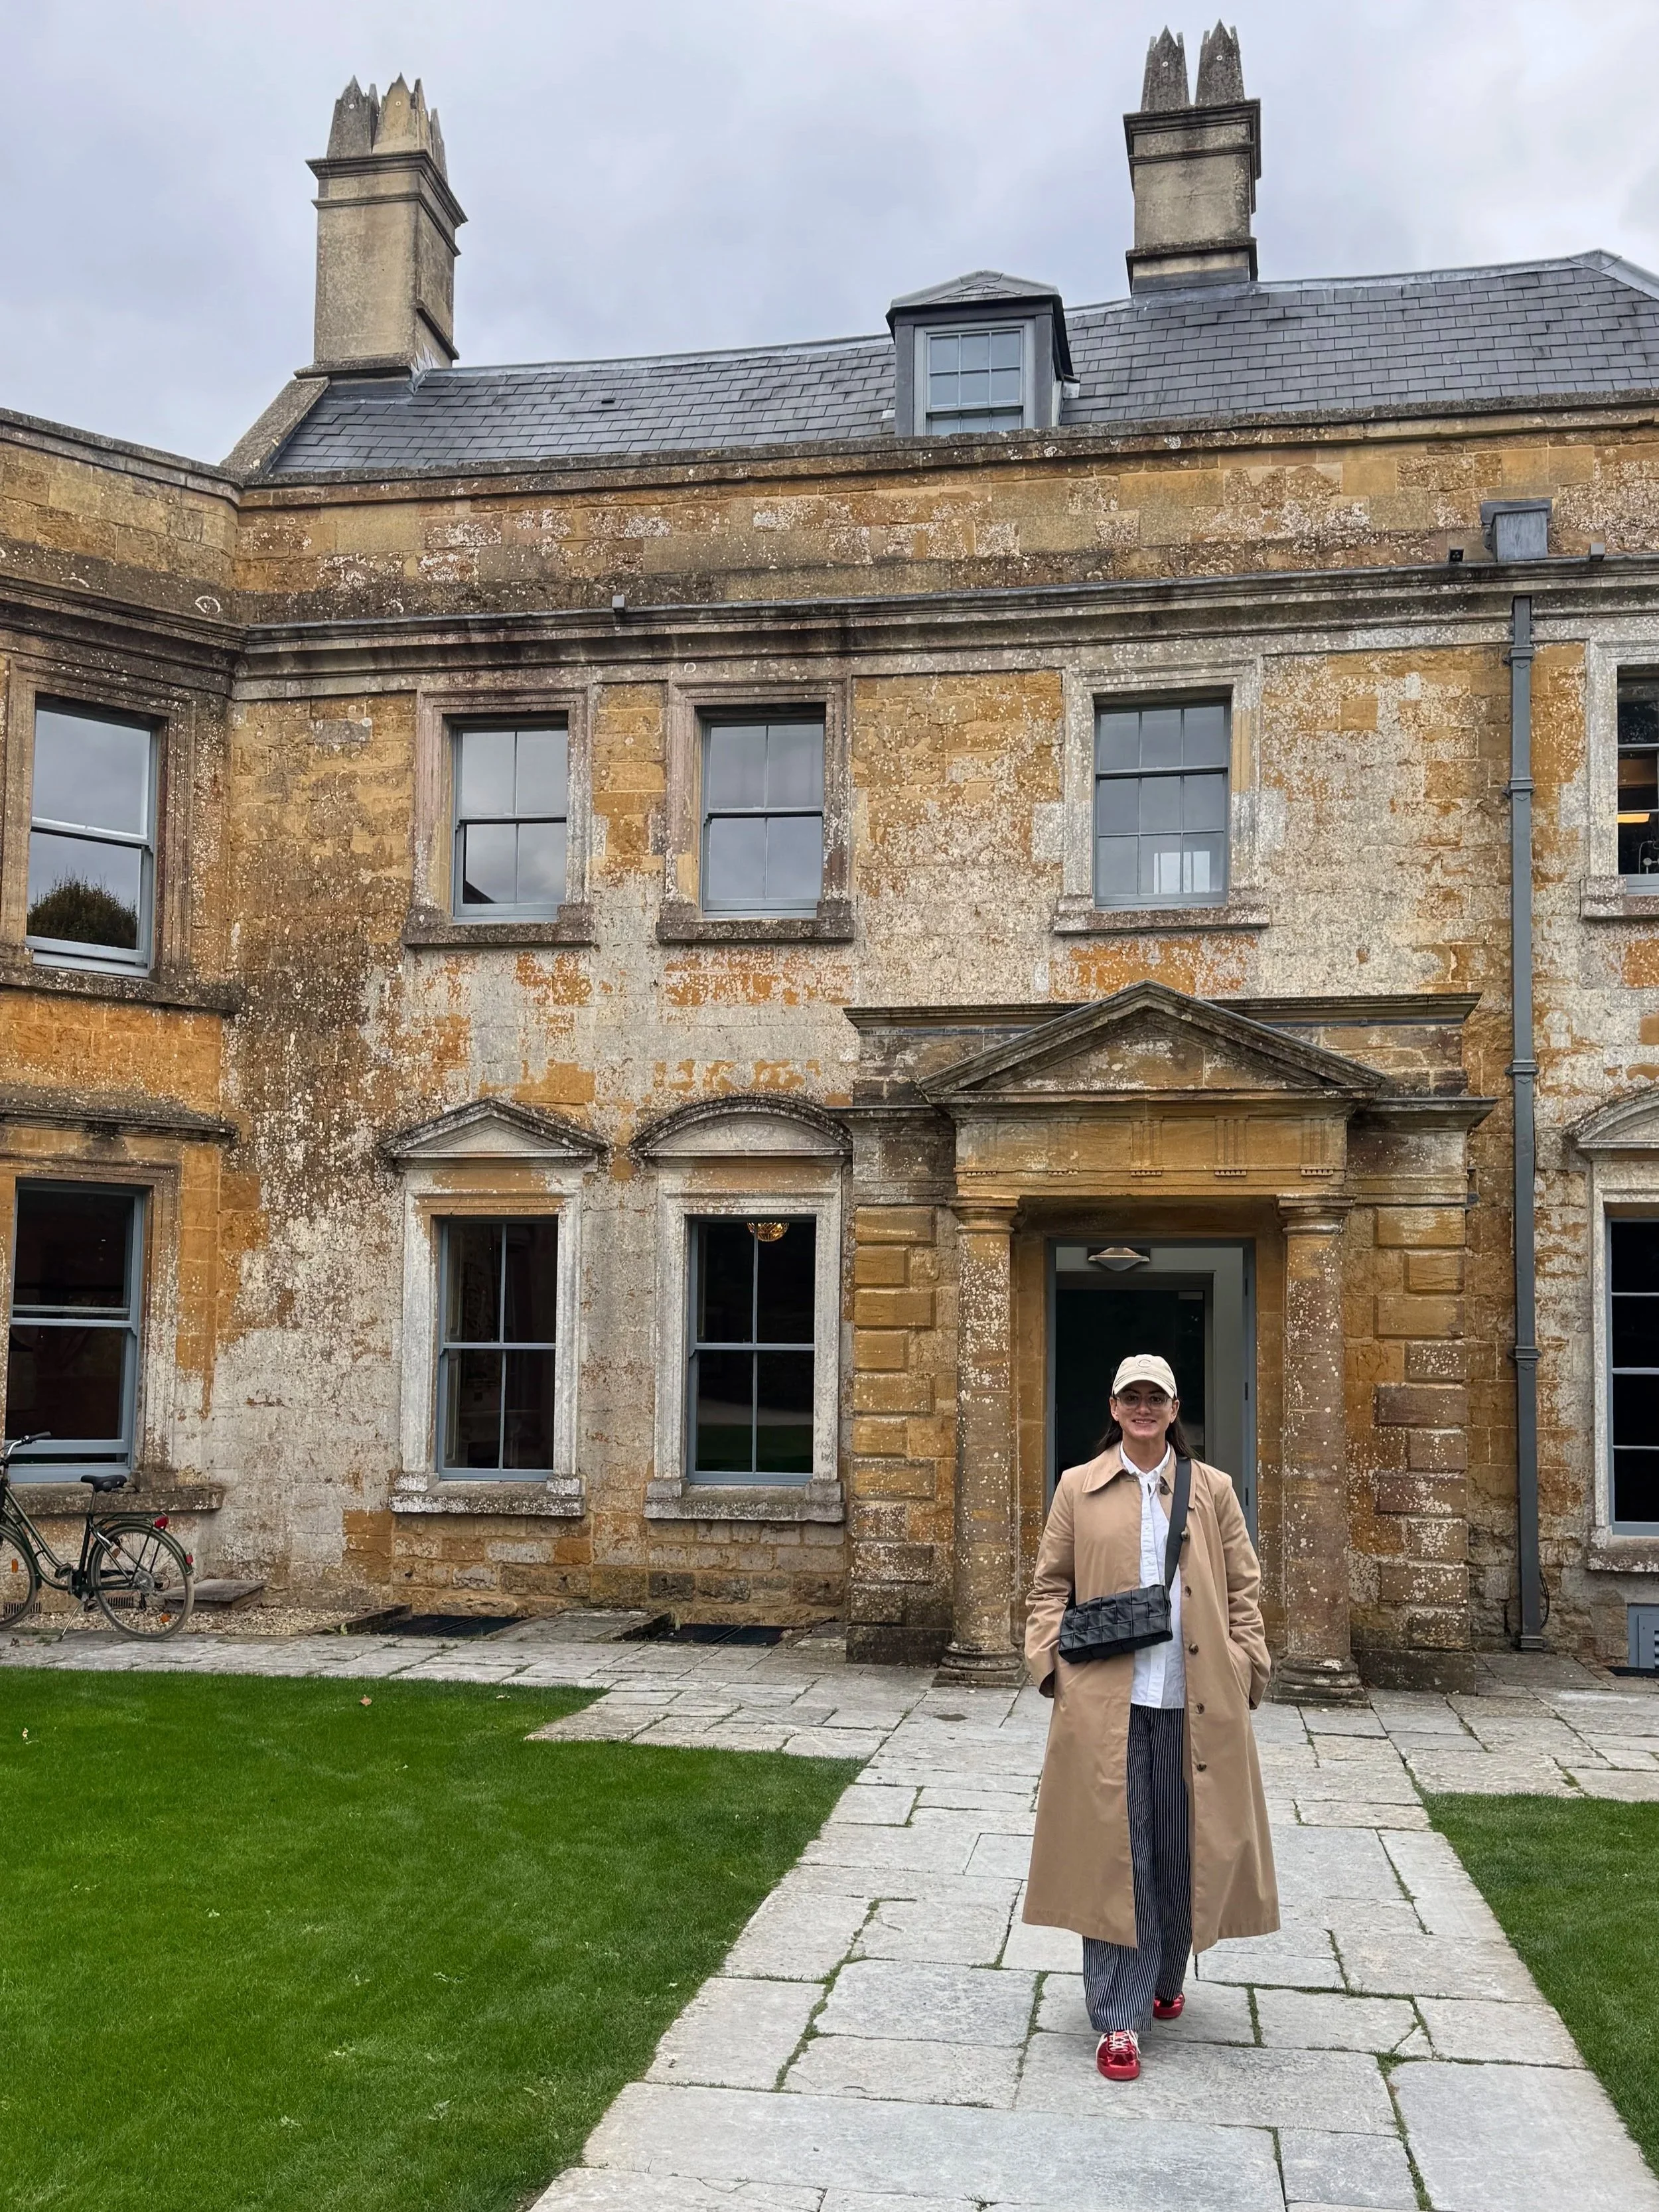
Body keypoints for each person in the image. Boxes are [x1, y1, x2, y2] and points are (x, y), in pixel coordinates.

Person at [1021, 1352, 1277, 2083]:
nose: (1142, 1409)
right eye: (1130, 1398)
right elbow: (1049, 1588)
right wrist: (1052, 1669)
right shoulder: (1078, 1487)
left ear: (1172, 1410)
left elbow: (1243, 1590)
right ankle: (1117, 2018)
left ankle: (1165, 1978)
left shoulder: (1212, 1490)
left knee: (1179, 1846)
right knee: (1115, 1859)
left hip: (1195, 1703)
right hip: (1107, 1705)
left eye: (1154, 1399)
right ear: (1112, 1407)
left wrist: (1246, 1669)